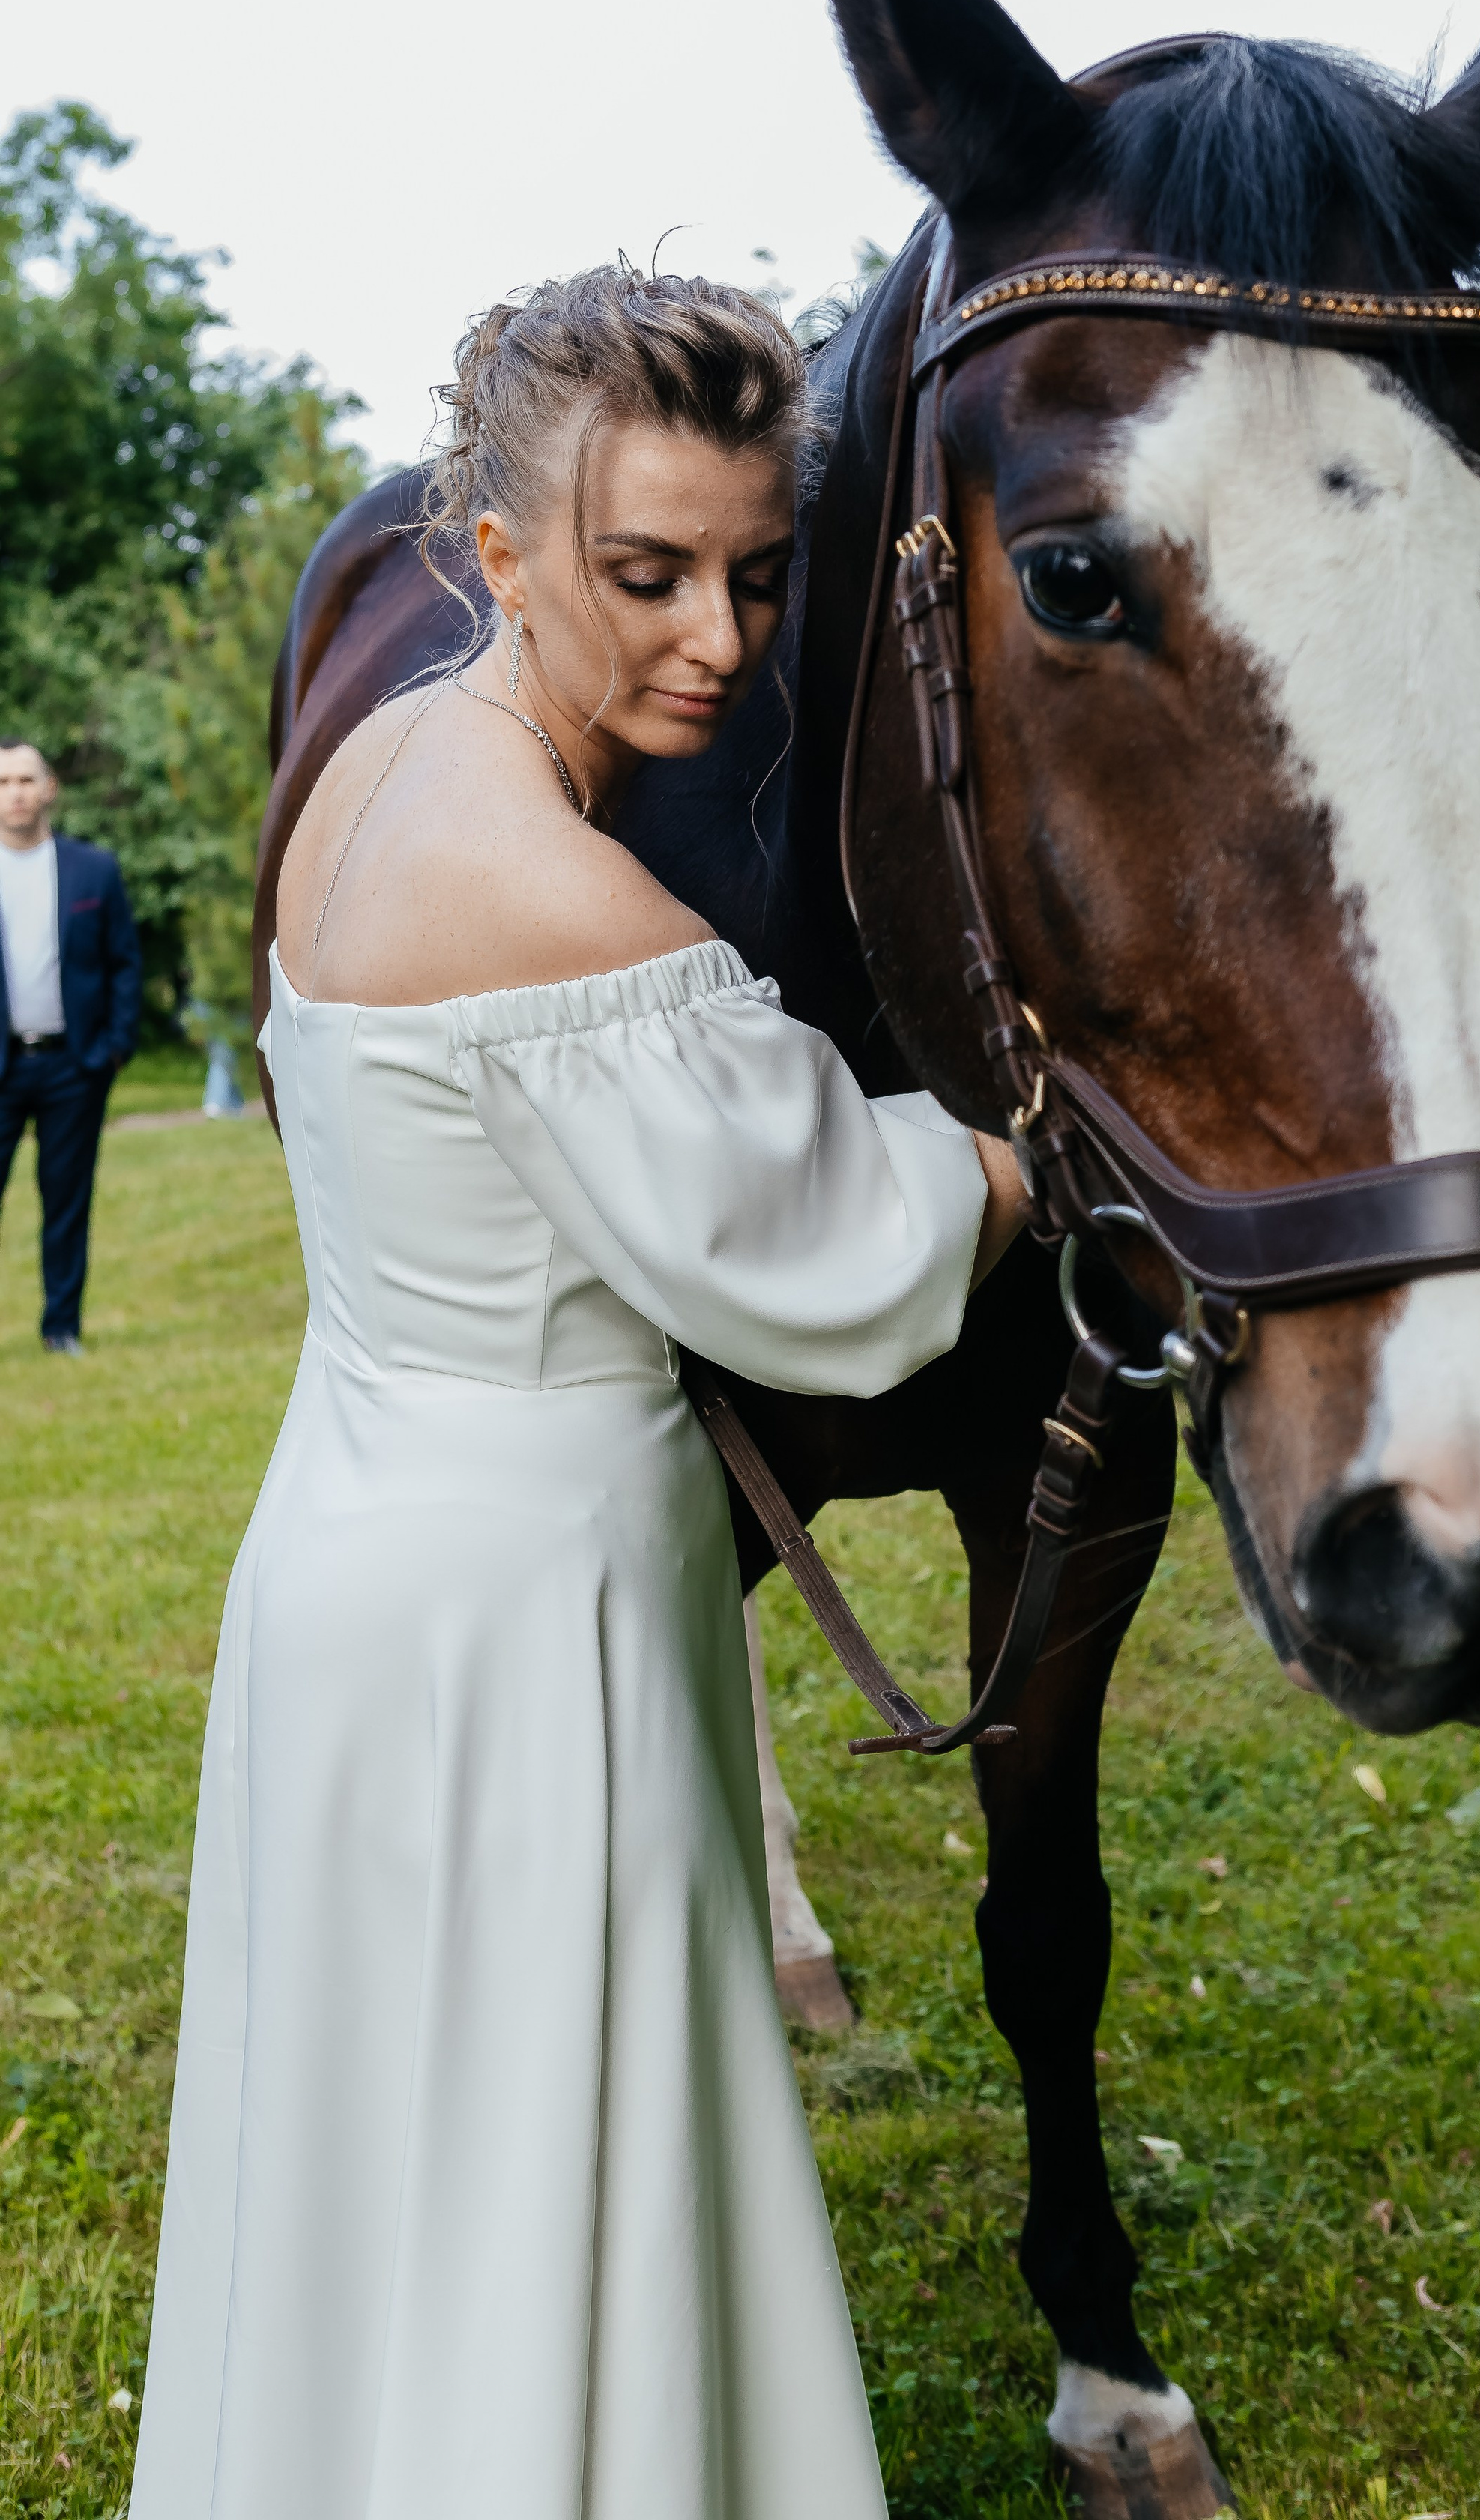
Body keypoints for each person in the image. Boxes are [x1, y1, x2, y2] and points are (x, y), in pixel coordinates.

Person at [130, 268, 1027, 2520]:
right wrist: (1024, 1153)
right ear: (496, 549)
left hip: (348, 1565)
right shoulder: (566, 901)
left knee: (392, 2175)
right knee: (543, 2149)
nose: (714, 637)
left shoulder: (372, 766)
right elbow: (835, 1239)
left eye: (749, 567)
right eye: (642, 574)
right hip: (523, 1628)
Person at [0, 740, 142, 1353]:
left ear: (50, 787)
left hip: (72, 1068)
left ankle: (61, 1328)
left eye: (26, 779)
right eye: (3, 782)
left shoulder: (94, 871)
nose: (16, 793)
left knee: (66, 1203)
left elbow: (124, 967)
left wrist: (111, 1053)